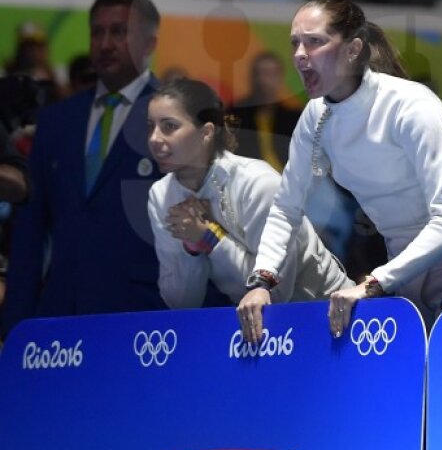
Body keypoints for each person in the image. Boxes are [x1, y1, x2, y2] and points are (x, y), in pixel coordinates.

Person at [245, 0, 442, 340]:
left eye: (314, 41)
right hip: (402, 273)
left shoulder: (412, 107)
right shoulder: (316, 116)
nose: (300, 54)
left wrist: (376, 282)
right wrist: (262, 279)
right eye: (295, 42)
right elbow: (286, 208)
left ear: (353, 49)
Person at [3, 0, 164, 335]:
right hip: (59, 313)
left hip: (141, 320)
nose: (105, 44)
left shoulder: (176, 119)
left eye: (119, 32)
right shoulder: (56, 121)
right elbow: (30, 232)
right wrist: (13, 326)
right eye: (97, 32)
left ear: (149, 43)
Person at [147, 78, 350, 323]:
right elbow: (181, 303)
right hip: (254, 323)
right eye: (151, 126)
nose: (154, 139)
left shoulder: (257, 183)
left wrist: (210, 237)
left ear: (206, 133)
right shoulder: (161, 196)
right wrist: (192, 249)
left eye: (169, 126)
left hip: (329, 310)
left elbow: (275, 293)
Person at [228, 51, 303, 172]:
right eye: (260, 74)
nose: (264, 81)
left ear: (280, 78)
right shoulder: (235, 114)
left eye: (271, 74)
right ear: (252, 78)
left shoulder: (293, 118)